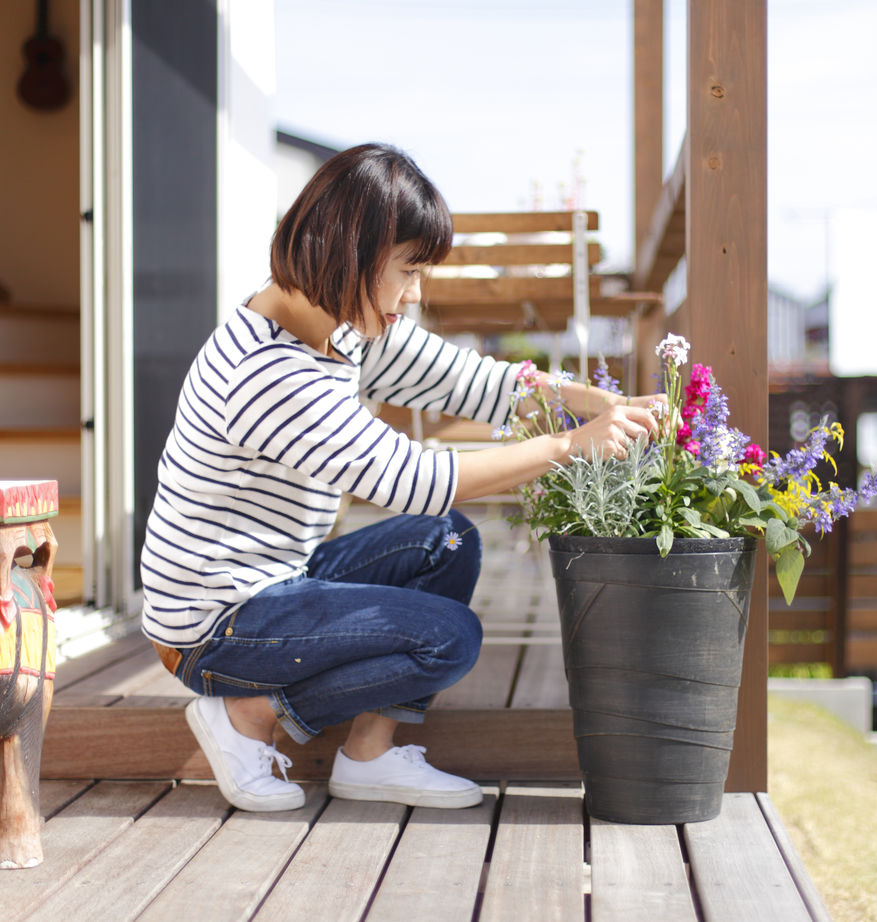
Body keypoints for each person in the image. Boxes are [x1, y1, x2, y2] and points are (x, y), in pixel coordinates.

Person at [140, 143, 663, 813]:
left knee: (445, 539)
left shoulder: (337, 324)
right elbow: (414, 478)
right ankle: (248, 715)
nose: (415, 295)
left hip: (275, 578)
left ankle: (368, 756)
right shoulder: (269, 372)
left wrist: (605, 403)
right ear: (350, 254)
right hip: (214, 625)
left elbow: (473, 381)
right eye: (408, 271)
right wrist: (569, 445)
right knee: (447, 637)